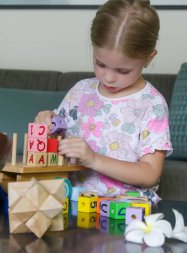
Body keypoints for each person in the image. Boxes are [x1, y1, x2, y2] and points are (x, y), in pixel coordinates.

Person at [35, 0, 172, 203]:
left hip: (125, 212)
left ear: (148, 59)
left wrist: (94, 159)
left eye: (123, 70)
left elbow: (151, 174)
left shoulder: (152, 104)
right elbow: (59, 136)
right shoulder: (80, 91)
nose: (108, 78)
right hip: (72, 202)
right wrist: (47, 122)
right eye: (100, 64)